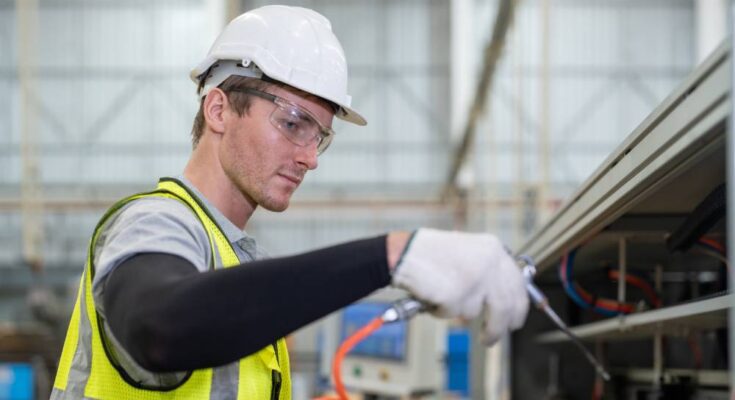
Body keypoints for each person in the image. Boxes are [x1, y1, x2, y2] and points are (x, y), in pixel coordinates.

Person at [51, 5, 529, 400]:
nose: (309, 158)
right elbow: (160, 327)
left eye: (319, 136)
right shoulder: (155, 221)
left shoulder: (235, 259)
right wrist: (389, 255)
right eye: (293, 123)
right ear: (218, 110)